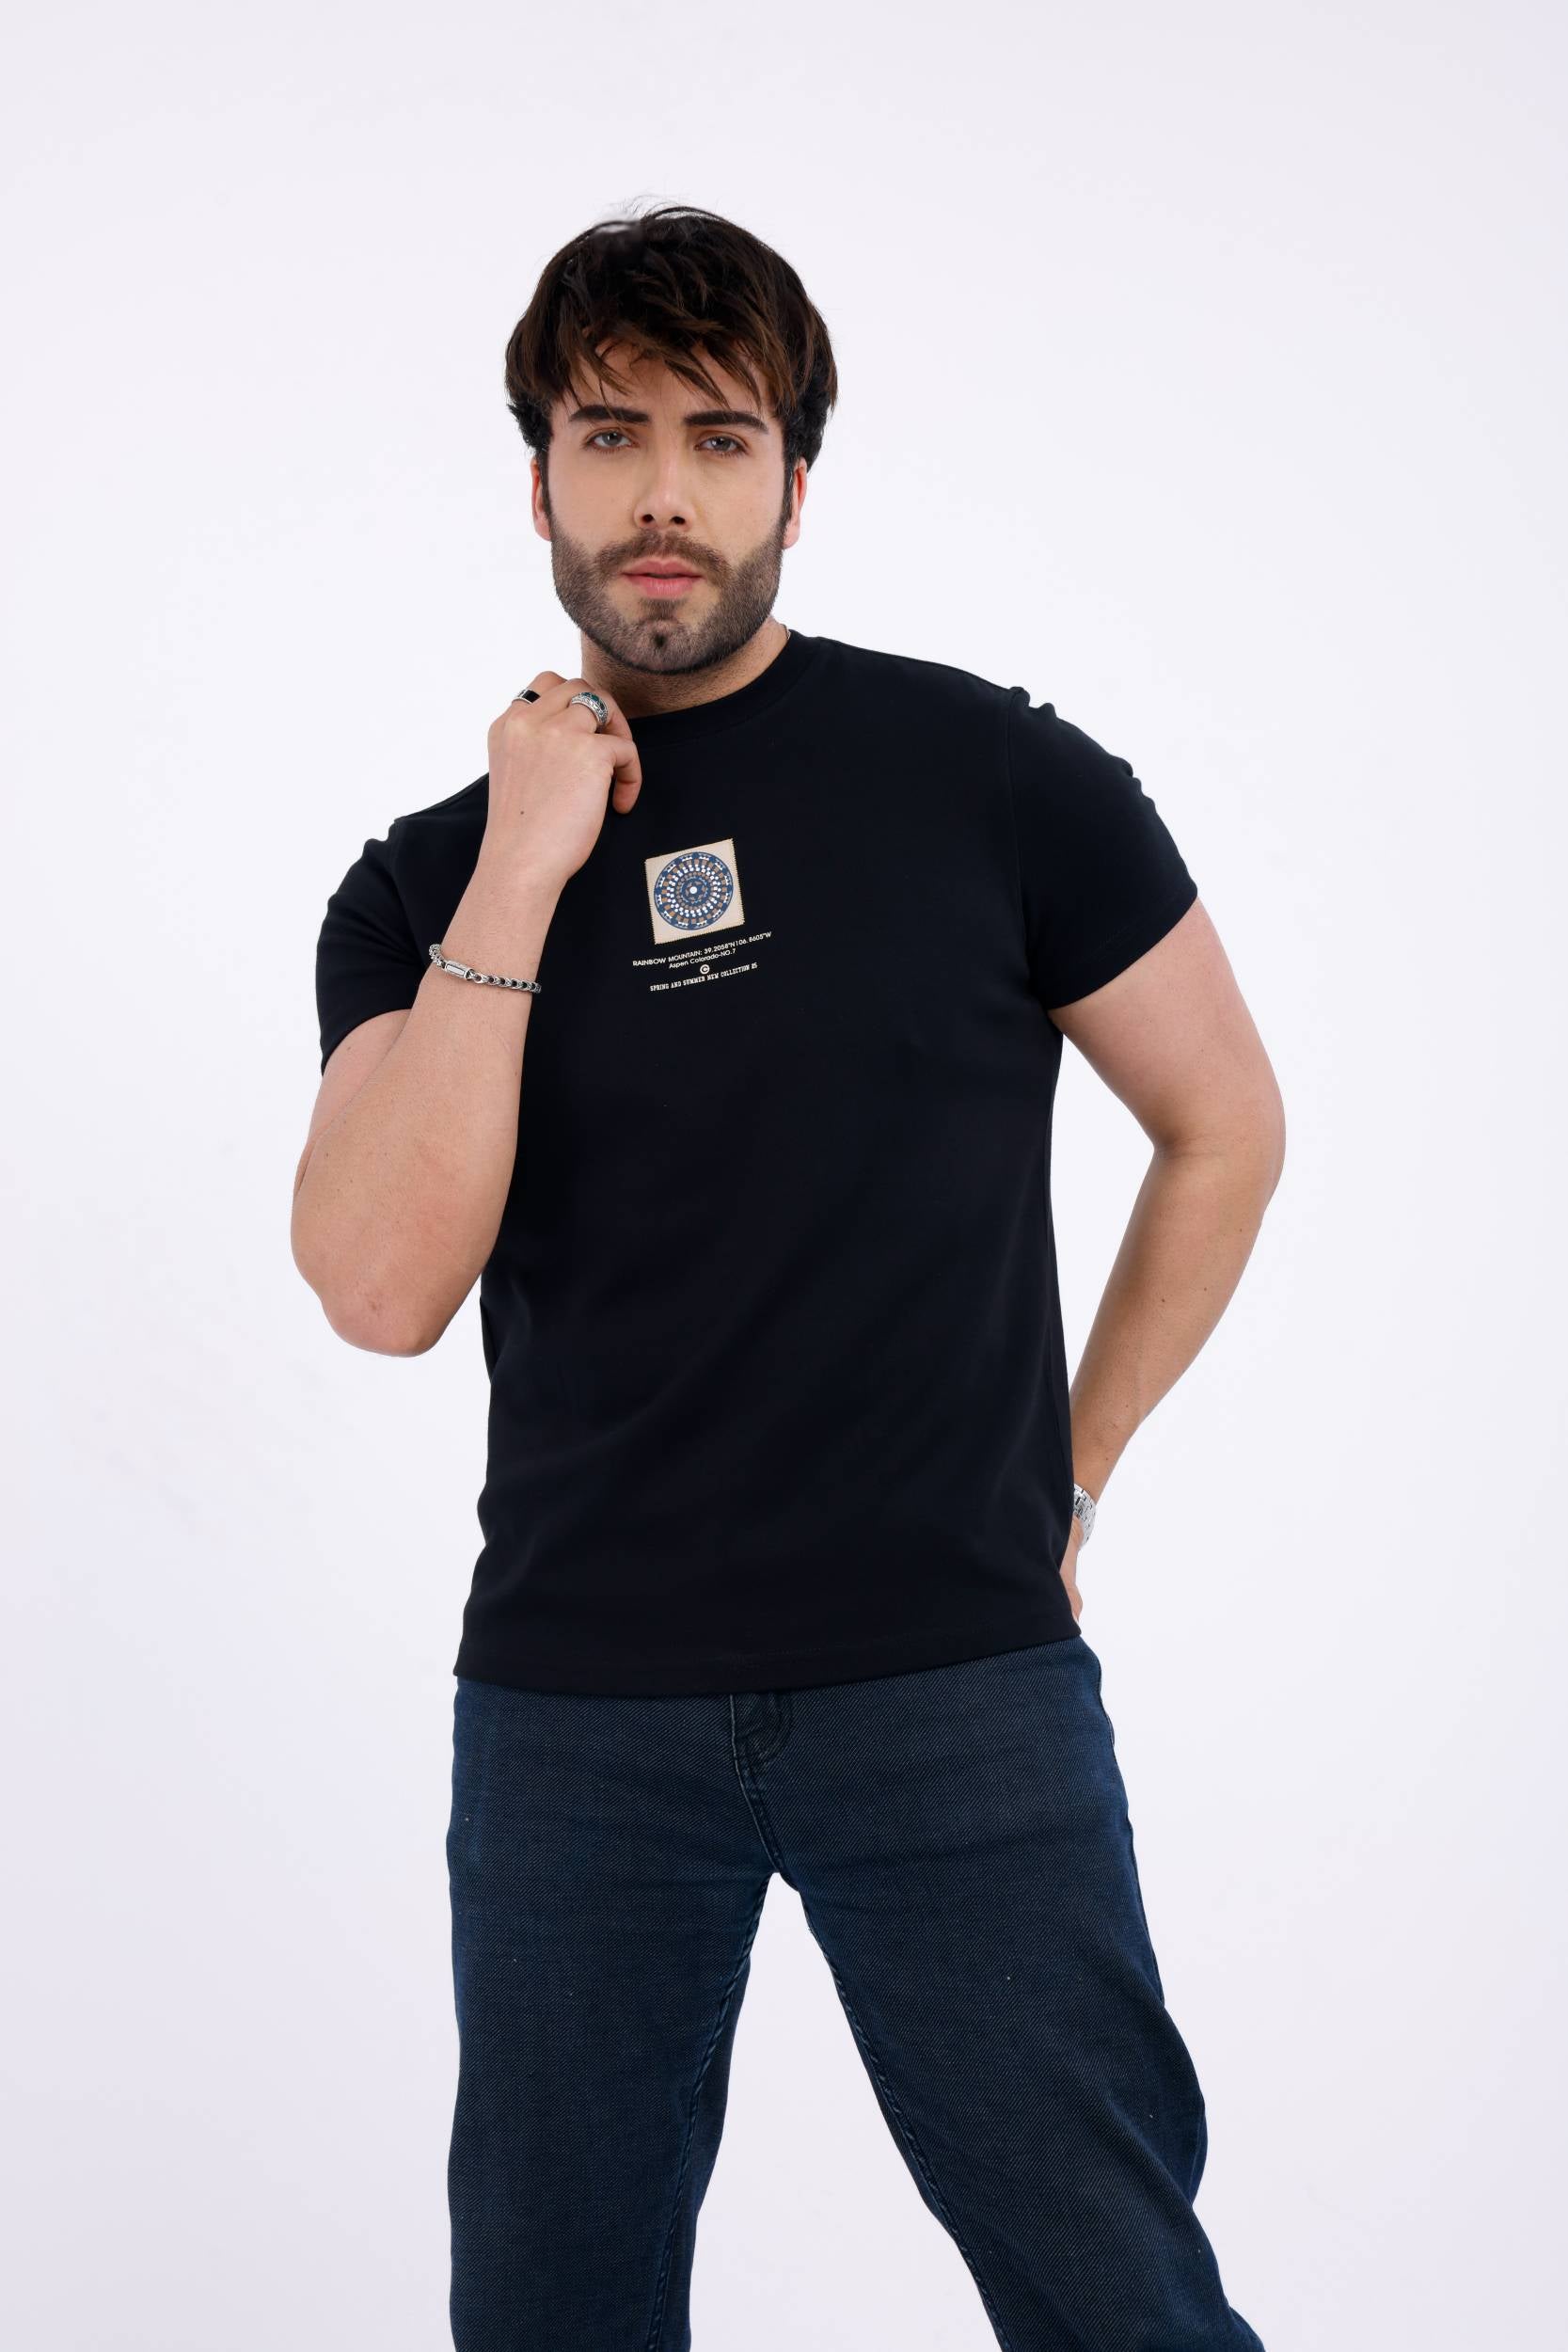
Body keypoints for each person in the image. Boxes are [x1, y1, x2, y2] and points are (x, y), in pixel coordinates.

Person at [292, 201, 1282, 2352]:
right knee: (552, 2308)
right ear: (538, 482)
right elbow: (378, 1284)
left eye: (719, 437)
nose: (663, 492)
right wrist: (527, 858)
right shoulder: (419, 881)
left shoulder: (997, 778)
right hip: (575, 1707)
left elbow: (1225, 1122)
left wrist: (1075, 1467)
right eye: (610, 433)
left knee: (1114, 2288)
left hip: (954, 1677)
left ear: (796, 485)